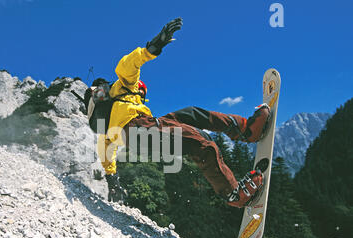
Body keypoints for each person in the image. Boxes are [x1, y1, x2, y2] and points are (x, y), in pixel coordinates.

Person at [95, 18, 270, 209]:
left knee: (191, 114)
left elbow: (105, 149)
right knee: (200, 143)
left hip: (144, 127)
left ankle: (245, 130)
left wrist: (112, 178)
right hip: (138, 130)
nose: (142, 95)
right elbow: (127, 66)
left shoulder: (116, 115)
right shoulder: (124, 88)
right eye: (142, 92)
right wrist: (152, 48)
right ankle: (233, 194)